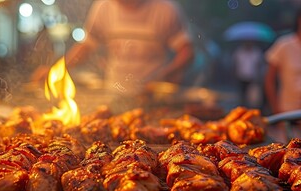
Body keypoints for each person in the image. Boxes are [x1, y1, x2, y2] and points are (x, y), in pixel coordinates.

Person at [34, 0, 194, 112]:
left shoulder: (165, 9)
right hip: (116, 93)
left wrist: (163, 76)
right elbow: (86, 46)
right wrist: (57, 71)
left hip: (152, 97)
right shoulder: (103, 7)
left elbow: (186, 52)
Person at [232, 41, 264, 108]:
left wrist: (258, 76)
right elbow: (236, 63)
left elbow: (259, 65)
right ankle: (242, 108)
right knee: (242, 94)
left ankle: (250, 109)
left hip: (252, 77)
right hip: (241, 76)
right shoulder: (239, 51)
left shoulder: (256, 52)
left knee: (252, 96)